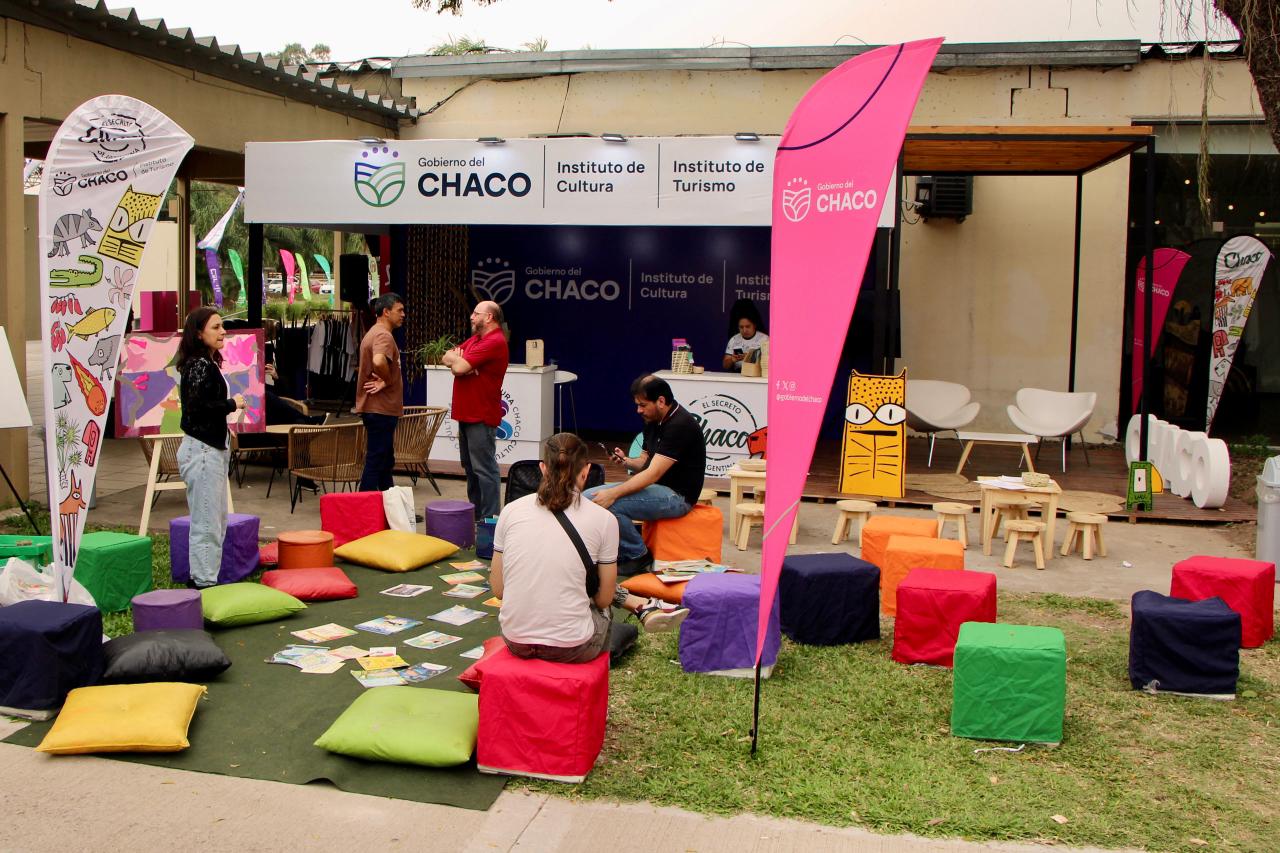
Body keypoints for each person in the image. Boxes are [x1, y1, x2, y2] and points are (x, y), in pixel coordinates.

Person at [491, 433, 688, 663]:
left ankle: (641, 605)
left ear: (543, 468)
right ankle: (640, 605)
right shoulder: (604, 519)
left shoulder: (511, 511)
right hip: (574, 646)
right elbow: (603, 600)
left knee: (572, 574)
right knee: (592, 584)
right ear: (586, 471)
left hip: (516, 641)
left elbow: (499, 589)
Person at [586, 375, 706, 575]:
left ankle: (637, 555)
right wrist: (626, 462)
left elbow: (652, 474)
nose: (638, 410)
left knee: (608, 503)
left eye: (642, 405)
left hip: (678, 497)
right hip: (658, 488)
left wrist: (613, 493)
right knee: (587, 497)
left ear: (660, 401)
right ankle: (618, 551)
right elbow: (644, 462)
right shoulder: (653, 419)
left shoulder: (680, 425)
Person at [175, 307, 246, 589]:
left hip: (210, 451)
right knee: (207, 524)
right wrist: (233, 404)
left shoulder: (203, 363)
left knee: (215, 521)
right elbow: (197, 408)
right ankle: (203, 584)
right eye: (215, 327)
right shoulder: (199, 366)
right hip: (203, 452)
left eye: (222, 326)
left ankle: (205, 579)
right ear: (198, 333)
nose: (222, 332)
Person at [441, 300, 509, 520]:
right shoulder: (476, 339)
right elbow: (446, 357)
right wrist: (460, 362)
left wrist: (461, 363)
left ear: (489, 317)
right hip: (467, 413)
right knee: (471, 469)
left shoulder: (495, 341)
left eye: (476, 313)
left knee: (484, 469)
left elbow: (458, 366)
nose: (471, 316)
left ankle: (490, 520)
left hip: (481, 414)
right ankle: (477, 516)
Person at [354, 292, 405, 492]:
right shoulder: (383, 335)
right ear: (386, 312)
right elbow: (378, 360)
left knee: (384, 461)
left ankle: (390, 509)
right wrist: (387, 379)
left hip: (380, 409)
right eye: (399, 310)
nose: (403, 315)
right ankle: (362, 509)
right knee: (376, 461)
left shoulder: (373, 332)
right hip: (380, 410)